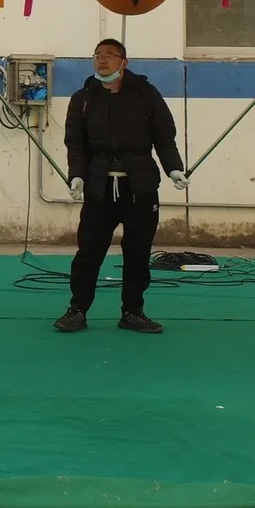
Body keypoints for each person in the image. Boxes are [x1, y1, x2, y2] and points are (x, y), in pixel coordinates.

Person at [55, 38, 187, 334]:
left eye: (110, 55)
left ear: (124, 62)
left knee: (138, 252)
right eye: (97, 55)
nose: (102, 60)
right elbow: (75, 144)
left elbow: (164, 137)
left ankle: (133, 312)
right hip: (99, 187)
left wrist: (174, 168)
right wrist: (76, 175)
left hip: (140, 187)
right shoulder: (83, 98)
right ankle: (77, 310)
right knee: (89, 251)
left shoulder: (146, 94)